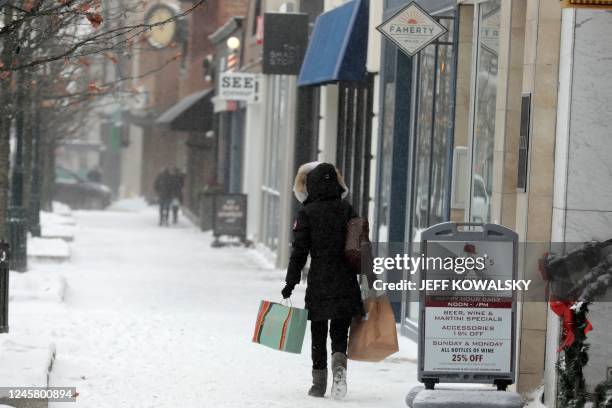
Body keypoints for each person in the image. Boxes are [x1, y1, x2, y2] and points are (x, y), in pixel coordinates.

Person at [281, 162, 363, 400]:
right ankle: (339, 362)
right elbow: (359, 247)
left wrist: (290, 282)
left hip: (319, 279)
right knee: (340, 329)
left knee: (318, 329)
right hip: (345, 278)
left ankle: (318, 382)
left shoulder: (307, 213)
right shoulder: (347, 210)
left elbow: (299, 252)